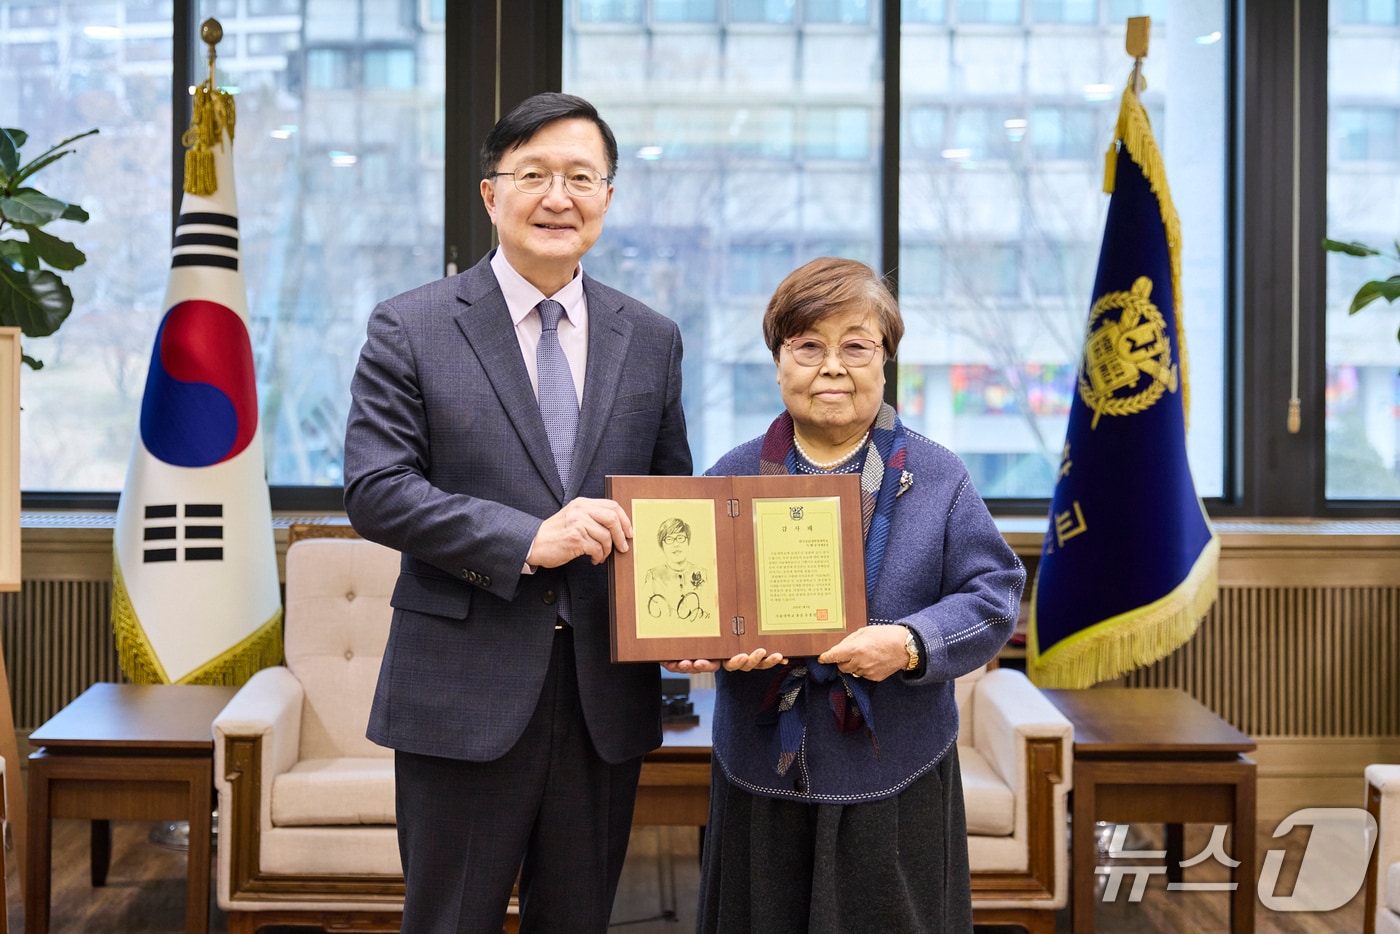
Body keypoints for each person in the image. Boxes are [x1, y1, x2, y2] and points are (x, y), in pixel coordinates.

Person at [343, 92, 692, 933]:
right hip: (462, 686)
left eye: (581, 176)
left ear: (608, 195)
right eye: (533, 174)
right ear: (491, 193)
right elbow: (376, 487)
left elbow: (671, 500)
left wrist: (700, 623)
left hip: (603, 694)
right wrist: (527, 539)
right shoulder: (413, 326)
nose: (558, 197)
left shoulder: (651, 337)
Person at [667, 256, 1025, 932]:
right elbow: (698, 600)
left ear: (884, 360)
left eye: (855, 346)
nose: (832, 366)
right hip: (759, 769)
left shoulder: (938, 473)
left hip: (895, 769)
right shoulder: (733, 476)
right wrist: (702, 648)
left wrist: (911, 643)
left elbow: (995, 591)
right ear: (778, 362)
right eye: (808, 346)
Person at [641, 518, 712, 622]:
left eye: (680, 538)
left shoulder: (703, 573)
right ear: (662, 545)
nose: (676, 544)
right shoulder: (653, 575)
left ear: (688, 541)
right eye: (669, 539)